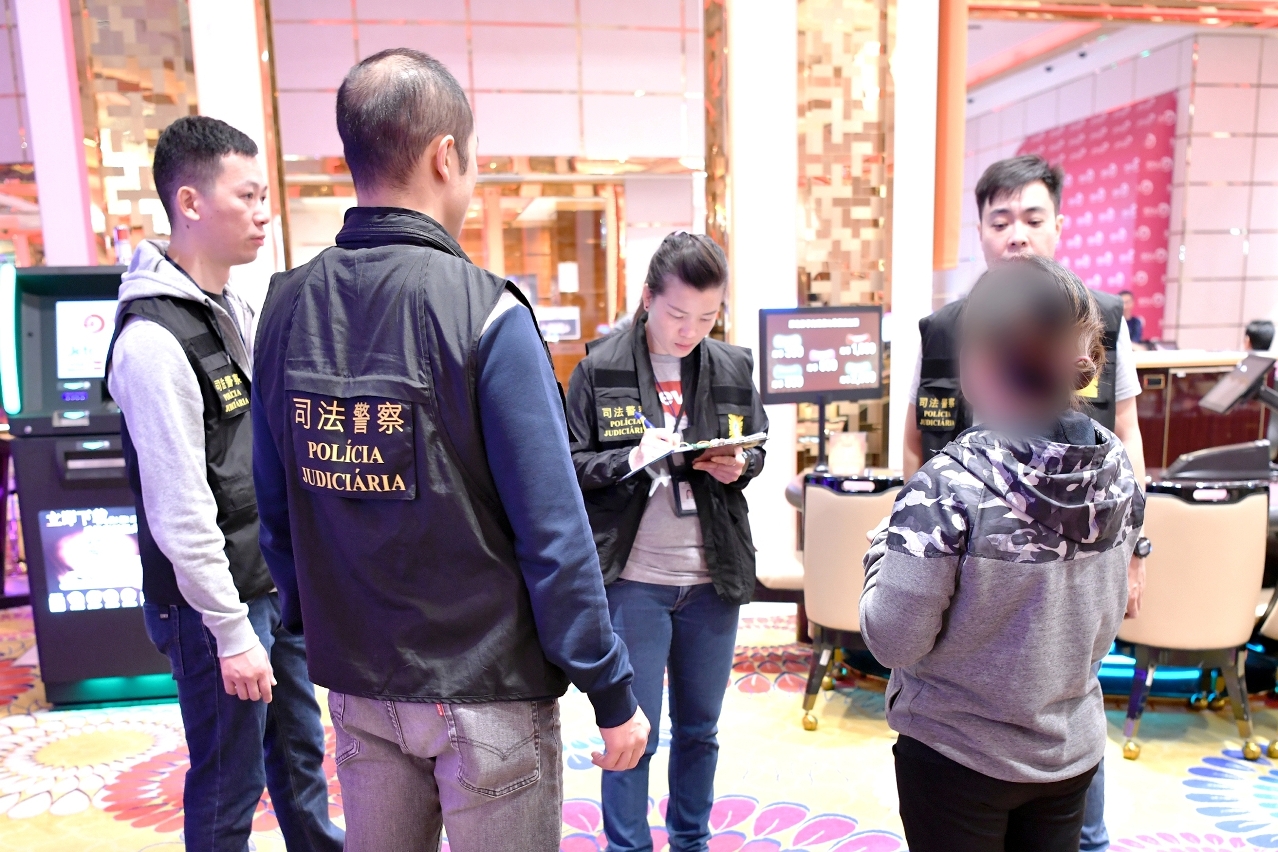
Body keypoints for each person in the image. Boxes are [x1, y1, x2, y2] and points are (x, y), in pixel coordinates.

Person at [251, 49, 649, 852]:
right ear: (445, 156)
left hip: (358, 684)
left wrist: (311, 623)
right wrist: (610, 689)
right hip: (486, 688)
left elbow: (277, 507)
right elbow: (554, 533)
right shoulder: (486, 312)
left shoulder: (285, 308)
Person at [106, 116, 344, 852]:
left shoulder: (233, 308)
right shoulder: (153, 341)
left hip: (266, 581)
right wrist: (231, 631)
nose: (264, 213)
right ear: (190, 202)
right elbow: (178, 511)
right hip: (211, 609)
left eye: (265, 195)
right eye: (248, 196)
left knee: (299, 757)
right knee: (228, 783)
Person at [901, 154, 1148, 852]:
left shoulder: (1102, 321)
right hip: (972, 584)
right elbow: (914, 443)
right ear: (980, 230)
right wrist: (910, 537)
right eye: (1000, 219)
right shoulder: (943, 329)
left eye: (1032, 218)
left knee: (1069, 721)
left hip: (1073, 583)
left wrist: (1137, 549)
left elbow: (1130, 437)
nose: (1016, 233)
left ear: (1058, 226)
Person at [566, 232, 767, 852]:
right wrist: (631, 458)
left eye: (707, 318)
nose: (690, 331)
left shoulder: (731, 366)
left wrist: (740, 465)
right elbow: (570, 466)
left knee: (701, 728)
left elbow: (756, 443)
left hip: (713, 579)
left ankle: (691, 839)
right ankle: (628, 845)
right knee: (633, 730)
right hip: (635, 580)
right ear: (649, 297)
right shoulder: (599, 368)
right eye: (678, 314)